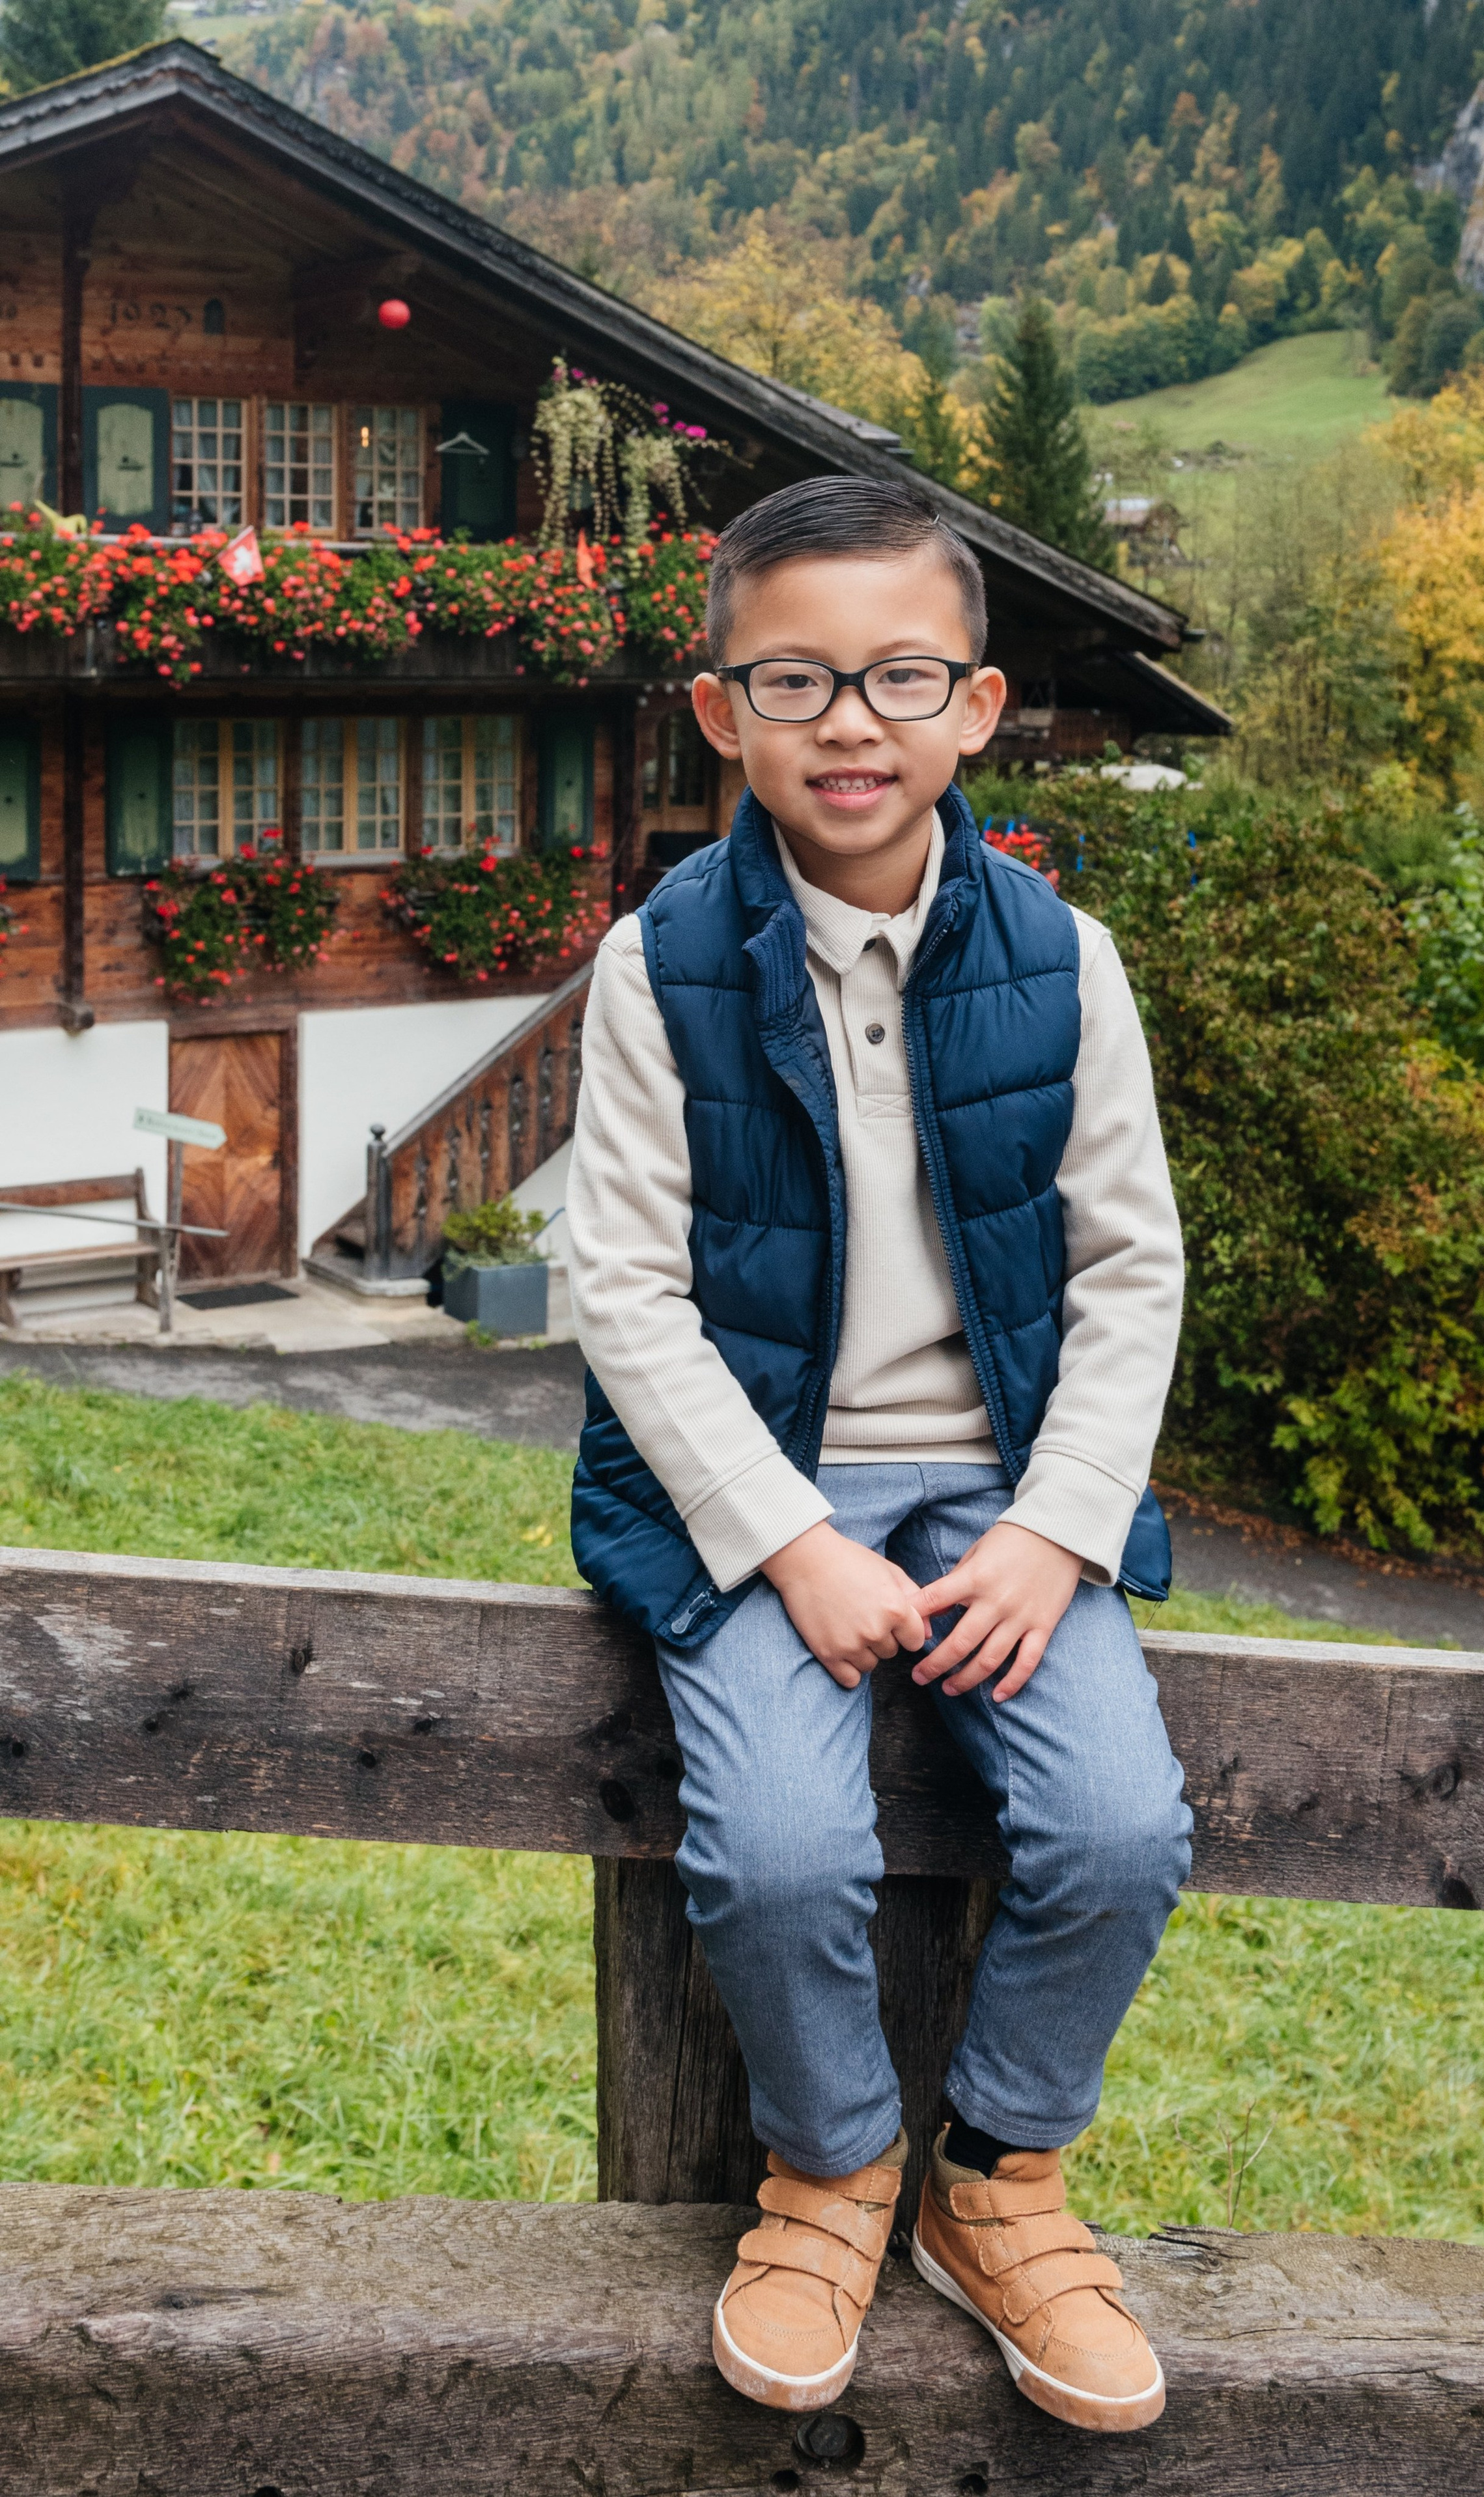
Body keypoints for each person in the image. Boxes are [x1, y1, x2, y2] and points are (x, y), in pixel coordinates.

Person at [567, 474, 1190, 2434]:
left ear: (979, 705)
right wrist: (785, 1541)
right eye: (799, 679)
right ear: (718, 711)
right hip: (758, 1495)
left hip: (1004, 1492)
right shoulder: (659, 967)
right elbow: (622, 1290)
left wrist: (1062, 1526)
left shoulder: (1064, 963)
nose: (853, 720)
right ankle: (833, 2165)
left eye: (901, 675)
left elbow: (1130, 1265)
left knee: (1113, 1827)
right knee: (777, 1850)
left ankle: (996, 2179)